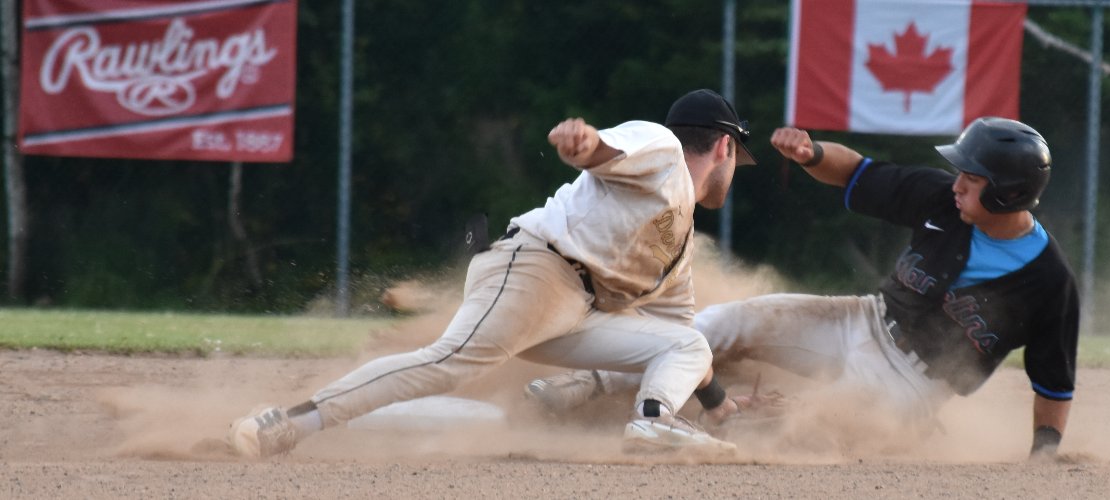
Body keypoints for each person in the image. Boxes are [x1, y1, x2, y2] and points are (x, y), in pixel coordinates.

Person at [228, 89, 758, 458]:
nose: (735, 171)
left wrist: (721, 407)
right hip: (537, 271)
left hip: (573, 313)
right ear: (725, 146)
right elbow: (612, 149)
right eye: (737, 158)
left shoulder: (678, 244)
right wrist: (587, 145)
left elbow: (683, 342)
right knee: (448, 363)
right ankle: (286, 422)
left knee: (687, 344)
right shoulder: (662, 148)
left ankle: (654, 421)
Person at [528, 117, 1078, 458]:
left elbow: (1054, 384)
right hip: (861, 319)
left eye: (972, 179)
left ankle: (696, 433)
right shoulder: (942, 198)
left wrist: (1044, 458)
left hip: (911, 385)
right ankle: (591, 386)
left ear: (1007, 194)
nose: (957, 184)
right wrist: (812, 154)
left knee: (800, 430)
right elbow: (856, 171)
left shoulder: (1049, 283)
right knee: (725, 324)